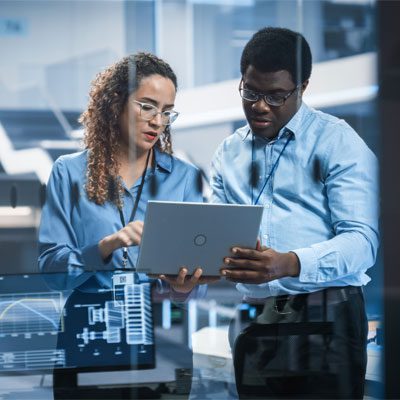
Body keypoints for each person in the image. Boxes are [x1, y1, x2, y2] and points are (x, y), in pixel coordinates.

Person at [211, 27, 379, 399]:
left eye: (276, 96)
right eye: (251, 92)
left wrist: (289, 263)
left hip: (326, 320)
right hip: (254, 320)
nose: (260, 106)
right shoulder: (228, 153)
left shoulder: (338, 143)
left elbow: (363, 242)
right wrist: (191, 272)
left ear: (303, 86)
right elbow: (215, 238)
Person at [38, 52, 207, 397]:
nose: (157, 121)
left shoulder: (184, 179)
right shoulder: (69, 172)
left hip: (162, 340)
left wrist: (185, 285)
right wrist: (106, 246)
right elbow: (51, 271)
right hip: (86, 337)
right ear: (116, 103)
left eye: (166, 111)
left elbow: (196, 287)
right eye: (147, 106)